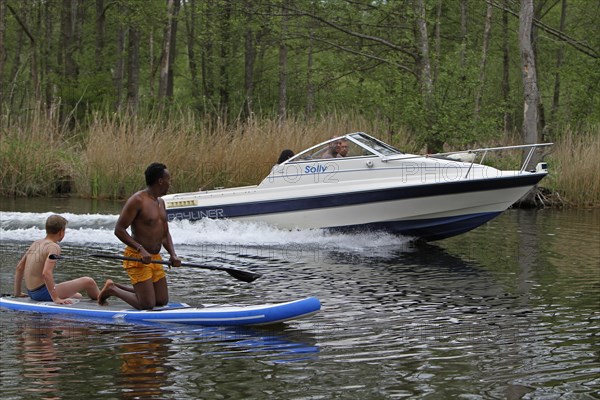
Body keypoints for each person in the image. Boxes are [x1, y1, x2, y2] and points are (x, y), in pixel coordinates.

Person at [98, 162, 181, 309]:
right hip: (138, 257)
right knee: (147, 304)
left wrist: (173, 254)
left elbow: (165, 234)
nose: (170, 183)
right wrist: (140, 249)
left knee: (161, 301)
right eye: (169, 180)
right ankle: (113, 290)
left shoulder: (161, 202)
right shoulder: (138, 200)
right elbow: (119, 229)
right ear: (160, 181)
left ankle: (115, 286)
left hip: (155, 258)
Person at [13, 214, 101, 304]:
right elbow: (46, 273)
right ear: (61, 232)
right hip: (41, 293)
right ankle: (102, 300)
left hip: (32, 293)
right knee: (88, 282)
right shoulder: (54, 247)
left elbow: (19, 267)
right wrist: (56, 299)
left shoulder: (36, 243)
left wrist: (17, 293)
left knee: (77, 296)